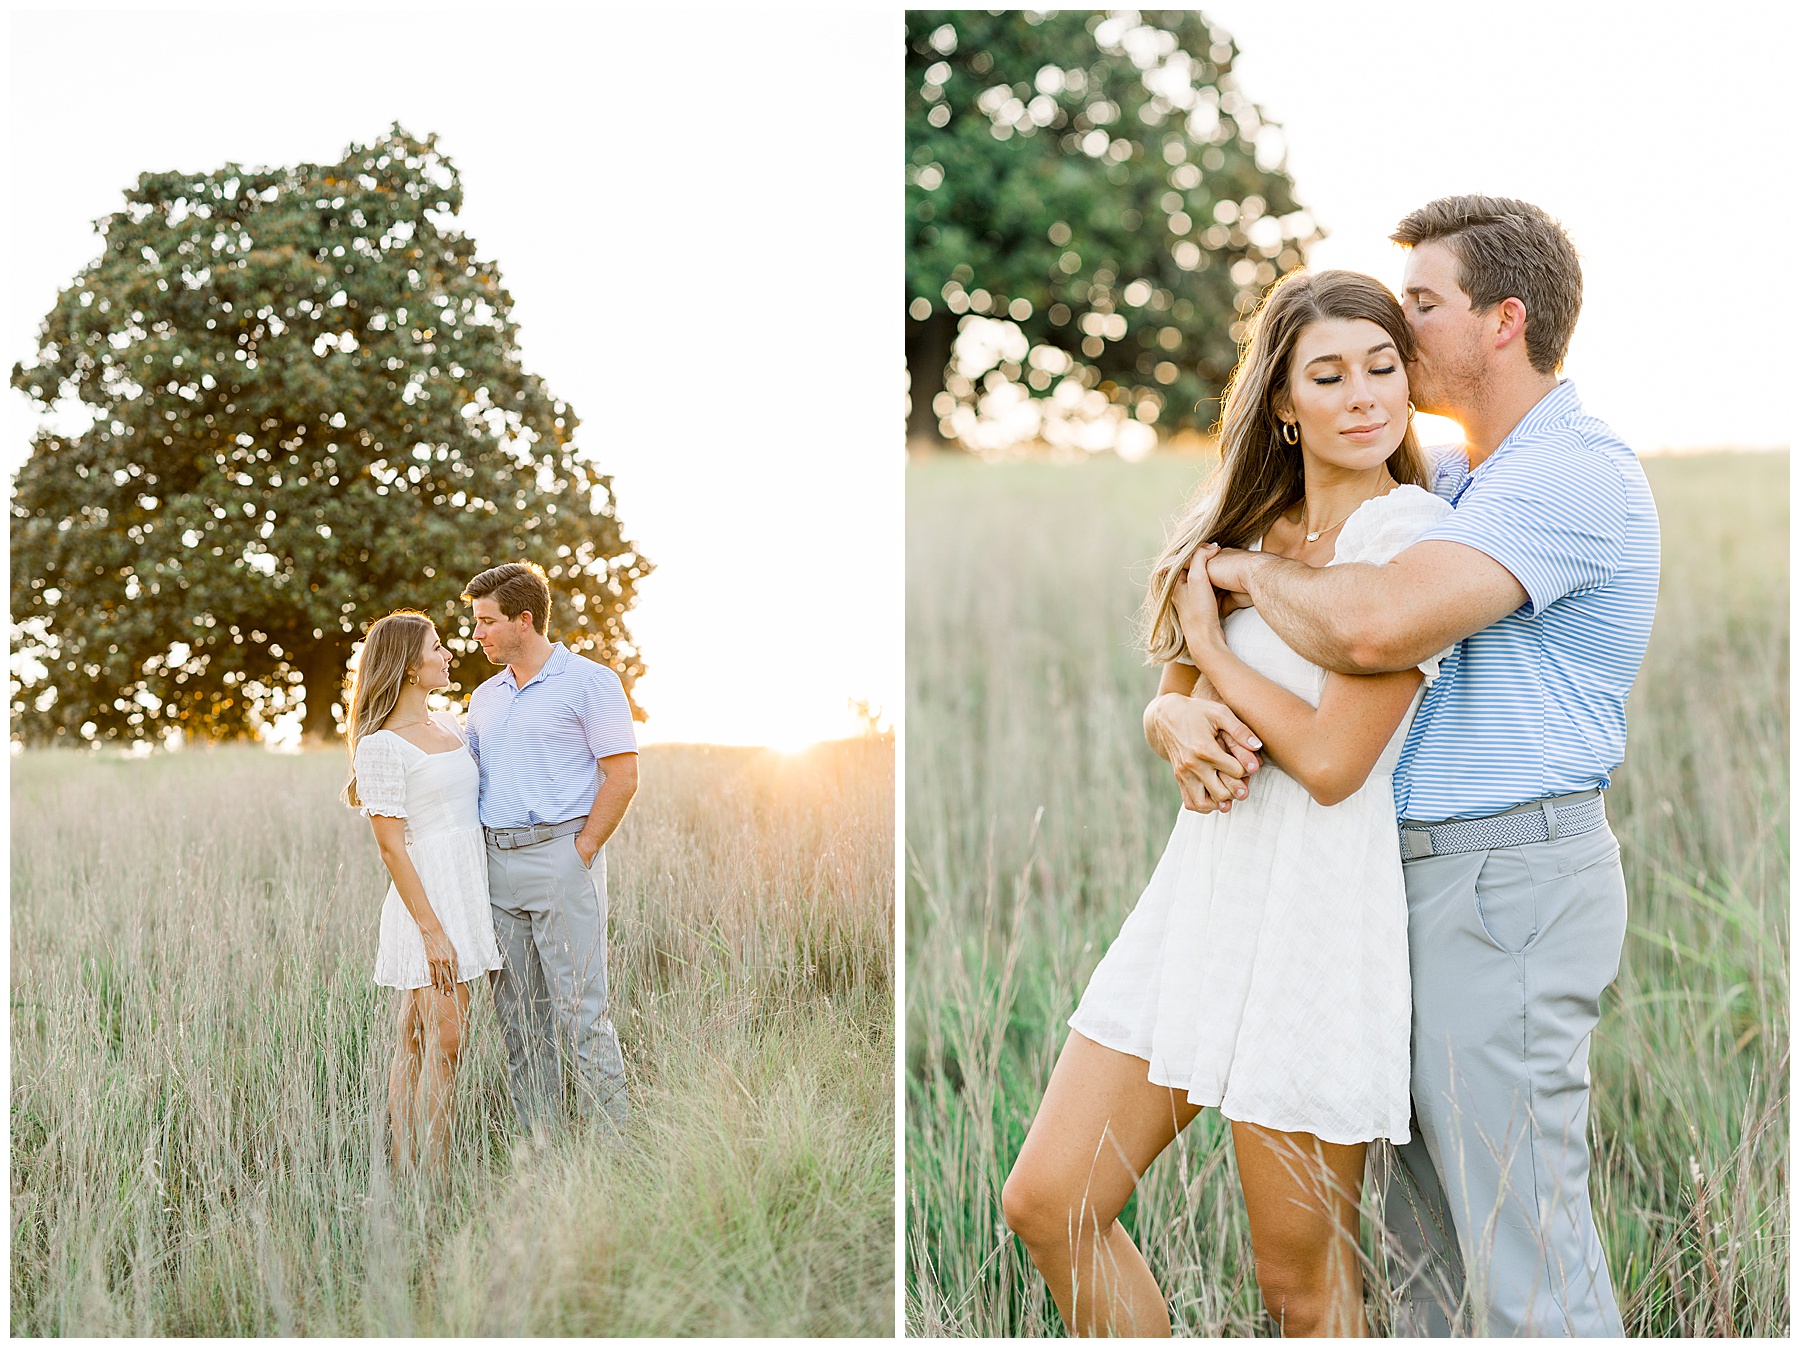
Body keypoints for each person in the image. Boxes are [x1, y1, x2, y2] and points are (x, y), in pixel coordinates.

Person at [1197, 196, 1659, 1335]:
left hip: (1504, 882)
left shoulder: (1570, 476)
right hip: (1402, 887)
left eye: (1421, 306)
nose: (1397, 335)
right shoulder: (1461, 477)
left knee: (1524, 1255)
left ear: (1504, 321)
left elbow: (1372, 626)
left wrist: (1241, 584)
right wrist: (1177, 706)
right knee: (1430, 1270)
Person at [1002, 270, 1453, 1337]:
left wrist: (1210, 646)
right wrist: (1170, 719)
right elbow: (1173, 702)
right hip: (1197, 901)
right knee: (1050, 1198)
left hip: (1313, 913)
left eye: (1384, 368)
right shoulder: (1244, 525)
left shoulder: (1411, 540)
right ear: (1284, 403)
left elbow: (1337, 761)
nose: (1364, 396)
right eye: (1330, 374)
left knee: (1299, 1286)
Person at [462, 561, 638, 1135]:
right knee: (518, 1020)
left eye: (487, 621)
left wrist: (581, 850)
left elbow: (622, 775)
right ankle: (539, 1149)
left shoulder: (590, 681)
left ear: (524, 620)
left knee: (582, 1014)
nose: (477, 633)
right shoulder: (484, 697)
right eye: (474, 623)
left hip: (562, 857)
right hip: (497, 866)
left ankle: (612, 1155)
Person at [343, 611, 503, 1178]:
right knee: (446, 1036)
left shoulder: (451, 730)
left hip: (466, 889)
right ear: (411, 665)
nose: (448, 654)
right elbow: (391, 847)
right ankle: (426, 1171)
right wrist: (433, 931)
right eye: (437, 648)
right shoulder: (382, 747)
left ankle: (414, 1166)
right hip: (425, 902)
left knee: (419, 1033)